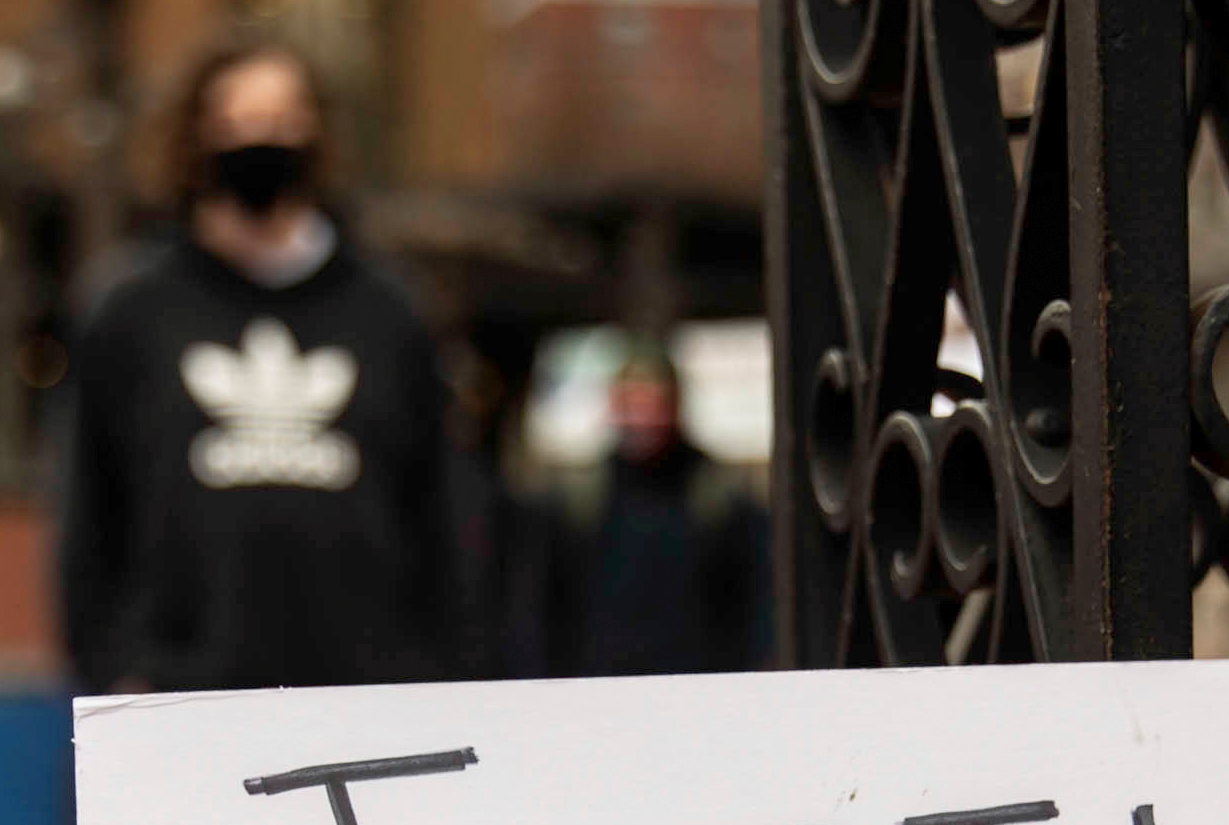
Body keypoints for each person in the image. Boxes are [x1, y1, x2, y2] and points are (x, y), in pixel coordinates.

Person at [57, 41, 462, 693]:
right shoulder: (133, 315)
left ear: (318, 133)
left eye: (281, 118)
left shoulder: (390, 315)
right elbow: (90, 517)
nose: (261, 140)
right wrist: (112, 668)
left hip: (366, 696)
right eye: (237, 120)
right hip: (175, 698)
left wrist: (435, 667)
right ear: (194, 138)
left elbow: (439, 512)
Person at [536, 342, 768, 677]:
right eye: (631, 404)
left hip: (700, 691)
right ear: (613, 406)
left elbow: (754, 604)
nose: (642, 419)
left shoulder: (719, 497)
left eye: (654, 405)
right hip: (598, 693)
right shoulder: (579, 500)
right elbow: (549, 611)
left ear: (675, 408)